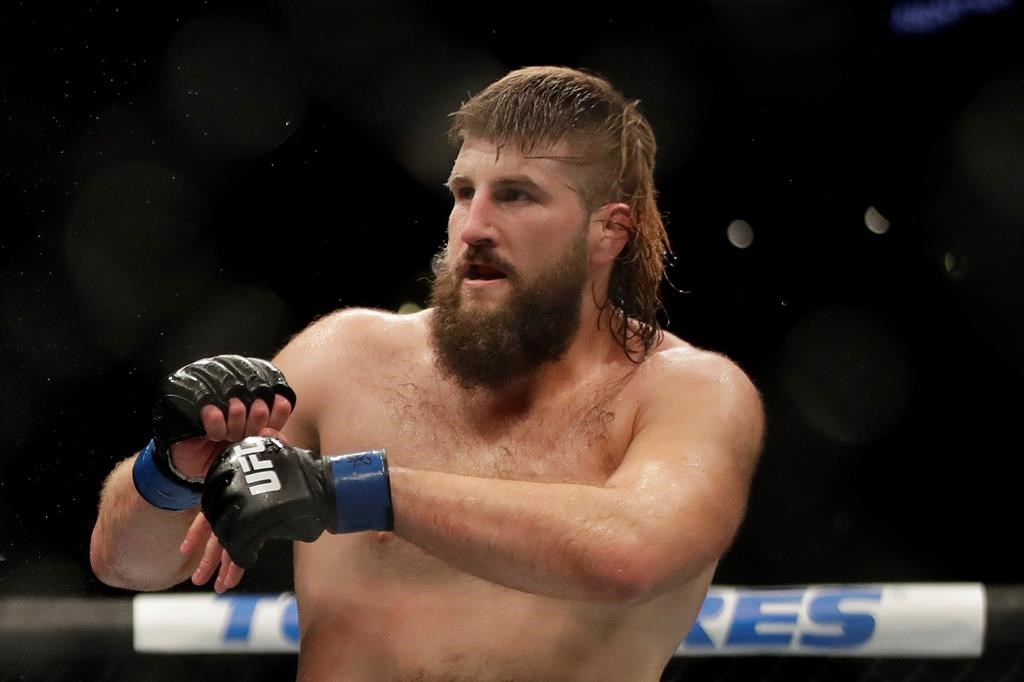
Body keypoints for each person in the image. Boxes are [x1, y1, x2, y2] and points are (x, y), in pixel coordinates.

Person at [90, 65, 764, 681]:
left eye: (517, 196)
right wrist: (171, 470)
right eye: (463, 193)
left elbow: (632, 553)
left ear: (608, 232)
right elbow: (127, 564)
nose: (473, 227)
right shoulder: (343, 356)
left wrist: (351, 490)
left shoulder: (687, 392)